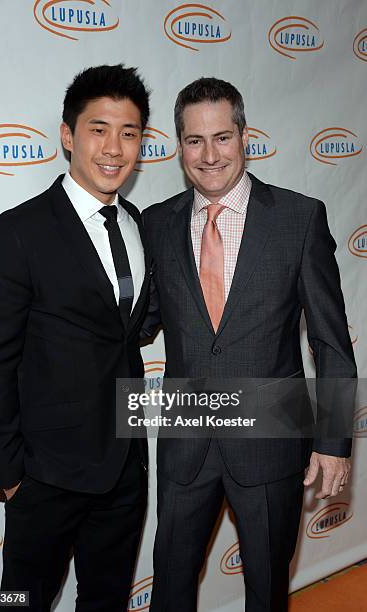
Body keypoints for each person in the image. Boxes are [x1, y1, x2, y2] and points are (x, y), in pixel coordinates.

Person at [141, 77, 357, 612]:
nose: (209, 154)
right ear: (178, 145)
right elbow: (137, 326)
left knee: (266, 588)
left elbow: (330, 340)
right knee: (170, 584)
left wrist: (332, 441)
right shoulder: (154, 224)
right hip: (185, 439)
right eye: (195, 140)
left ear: (243, 136)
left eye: (222, 137)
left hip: (270, 441)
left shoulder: (298, 219)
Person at [0, 64, 151, 612]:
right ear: (68, 135)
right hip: (44, 476)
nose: (114, 148)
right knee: (22, 603)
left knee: (106, 601)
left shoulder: (139, 225)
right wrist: (10, 476)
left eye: (129, 132)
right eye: (98, 129)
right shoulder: (14, 233)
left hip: (124, 468)